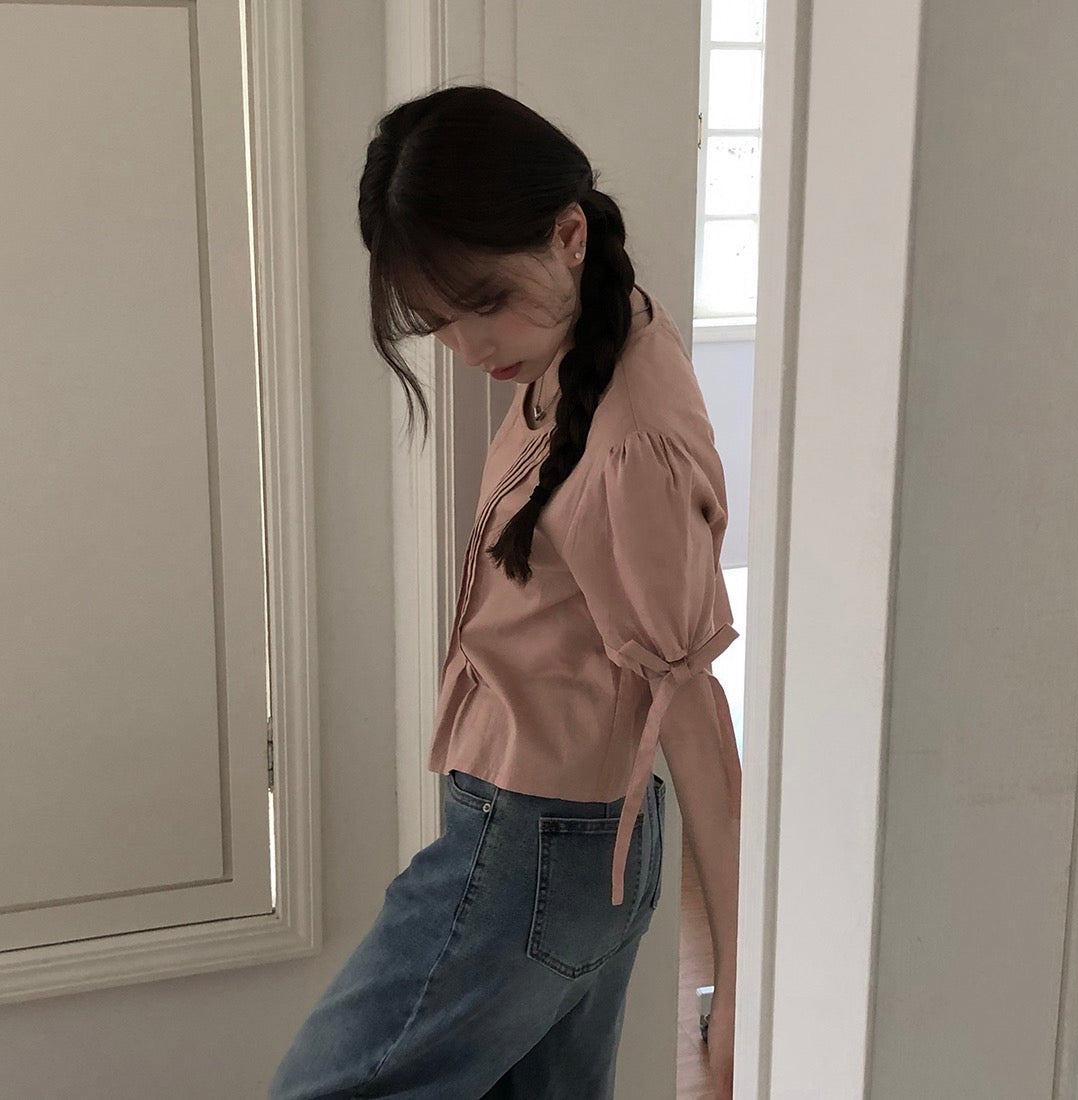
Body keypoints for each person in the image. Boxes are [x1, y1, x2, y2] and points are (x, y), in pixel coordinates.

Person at [270, 83, 741, 1100]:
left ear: (569, 233)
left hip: (533, 843)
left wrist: (739, 980)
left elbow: (693, 711)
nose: (469, 349)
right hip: (571, 844)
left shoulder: (624, 443)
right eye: (439, 320)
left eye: (484, 304)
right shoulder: (600, 333)